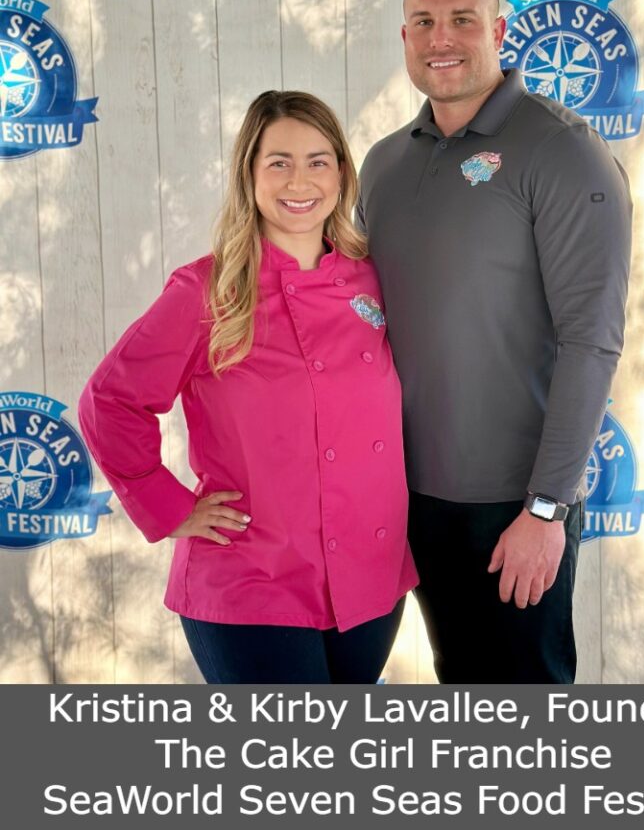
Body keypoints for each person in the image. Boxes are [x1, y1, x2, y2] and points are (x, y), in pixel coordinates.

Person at [358, 0, 632, 684]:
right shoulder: (383, 165)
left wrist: (545, 512)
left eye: (461, 19)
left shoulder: (562, 151)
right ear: (404, 37)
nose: (441, 37)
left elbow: (591, 340)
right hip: (408, 501)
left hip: (515, 507)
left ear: (500, 28)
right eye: (423, 20)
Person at [79, 90, 417, 684]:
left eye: (318, 160)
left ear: (341, 171)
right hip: (253, 580)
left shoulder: (372, 277)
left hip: (370, 576)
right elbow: (110, 400)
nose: (300, 179)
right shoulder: (206, 291)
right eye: (278, 162)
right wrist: (168, 504)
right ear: (249, 174)